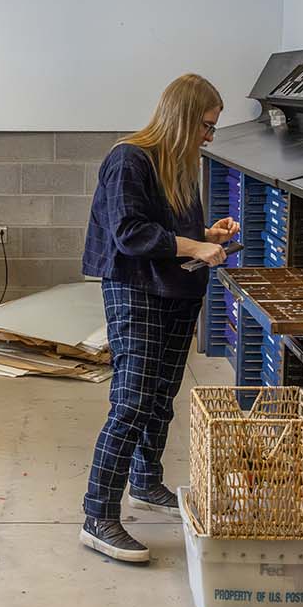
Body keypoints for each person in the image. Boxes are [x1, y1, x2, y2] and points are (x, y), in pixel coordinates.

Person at [77, 73, 240, 563]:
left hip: (176, 288)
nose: (210, 136)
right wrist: (196, 245)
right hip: (136, 289)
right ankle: (98, 514)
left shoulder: (179, 162)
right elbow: (130, 233)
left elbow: (168, 228)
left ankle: (145, 483)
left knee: (162, 396)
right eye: (206, 126)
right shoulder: (129, 159)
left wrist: (208, 232)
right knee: (131, 401)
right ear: (184, 118)